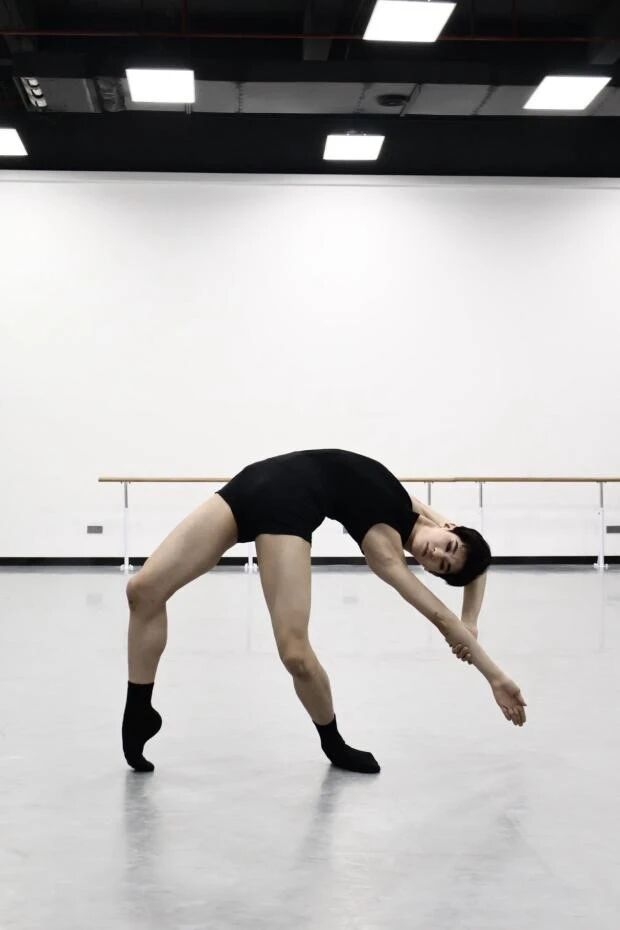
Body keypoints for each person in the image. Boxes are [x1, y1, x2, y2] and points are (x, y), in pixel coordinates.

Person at [122, 448, 527, 774]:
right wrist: (472, 620)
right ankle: (140, 709)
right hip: (253, 482)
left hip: (286, 511)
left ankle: (333, 743)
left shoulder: (385, 551)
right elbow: (479, 562)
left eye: (441, 567)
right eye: (448, 547)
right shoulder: (419, 509)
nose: (436, 554)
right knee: (143, 590)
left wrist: (492, 672)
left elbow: (440, 617)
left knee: (295, 655)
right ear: (451, 529)